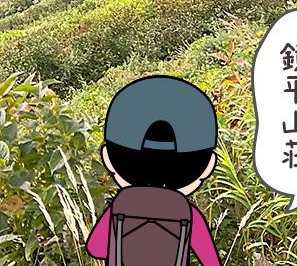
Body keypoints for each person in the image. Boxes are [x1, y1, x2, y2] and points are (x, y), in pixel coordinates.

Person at [85, 76, 223, 266]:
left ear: (108, 157)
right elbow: (211, 262)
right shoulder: (189, 213)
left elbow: (96, 249)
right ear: (207, 165)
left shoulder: (120, 205)